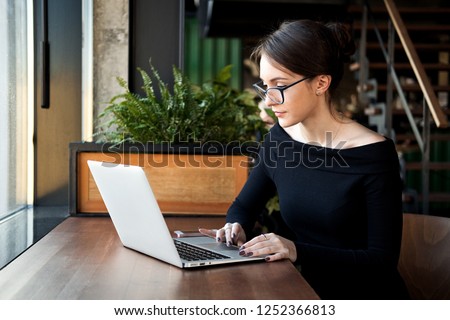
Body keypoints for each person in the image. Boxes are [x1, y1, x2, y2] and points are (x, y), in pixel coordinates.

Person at [199, 19, 409, 300]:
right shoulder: (279, 138)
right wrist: (235, 227)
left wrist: (296, 249)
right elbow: (244, 206)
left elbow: (381, 262)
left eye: (279, 85)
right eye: (265, 85)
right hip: (304, 293)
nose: (268, 101)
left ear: (321, 83)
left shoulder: (373, 154)